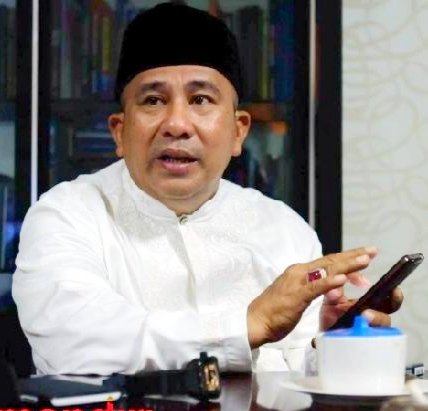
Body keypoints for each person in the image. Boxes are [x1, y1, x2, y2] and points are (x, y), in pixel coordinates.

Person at [12, 3, 402, 375]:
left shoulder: (283, 228)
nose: (177, 124)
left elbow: (295, 375)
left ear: (238, 132)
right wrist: (249, 323)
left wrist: (335, 345)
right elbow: (75, 344)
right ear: (119, 131)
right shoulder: (66, 214)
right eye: (153, 100)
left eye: (200, 99)